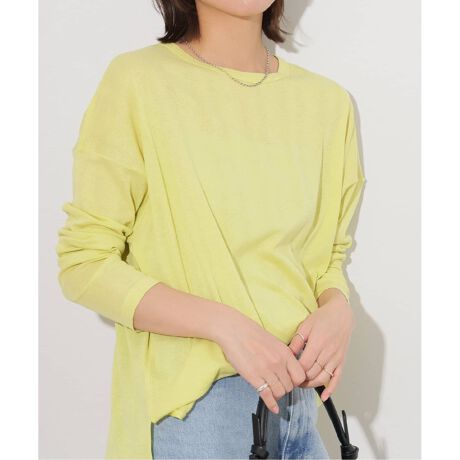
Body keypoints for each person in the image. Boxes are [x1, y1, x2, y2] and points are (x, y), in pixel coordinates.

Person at [55, 0, 366, 458]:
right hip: (198, 412)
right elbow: (85, 263)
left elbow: (327, 258)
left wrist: (337, 308)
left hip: (305, 403)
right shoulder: (139, 82)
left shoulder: (327, 103)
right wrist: (225, 326)